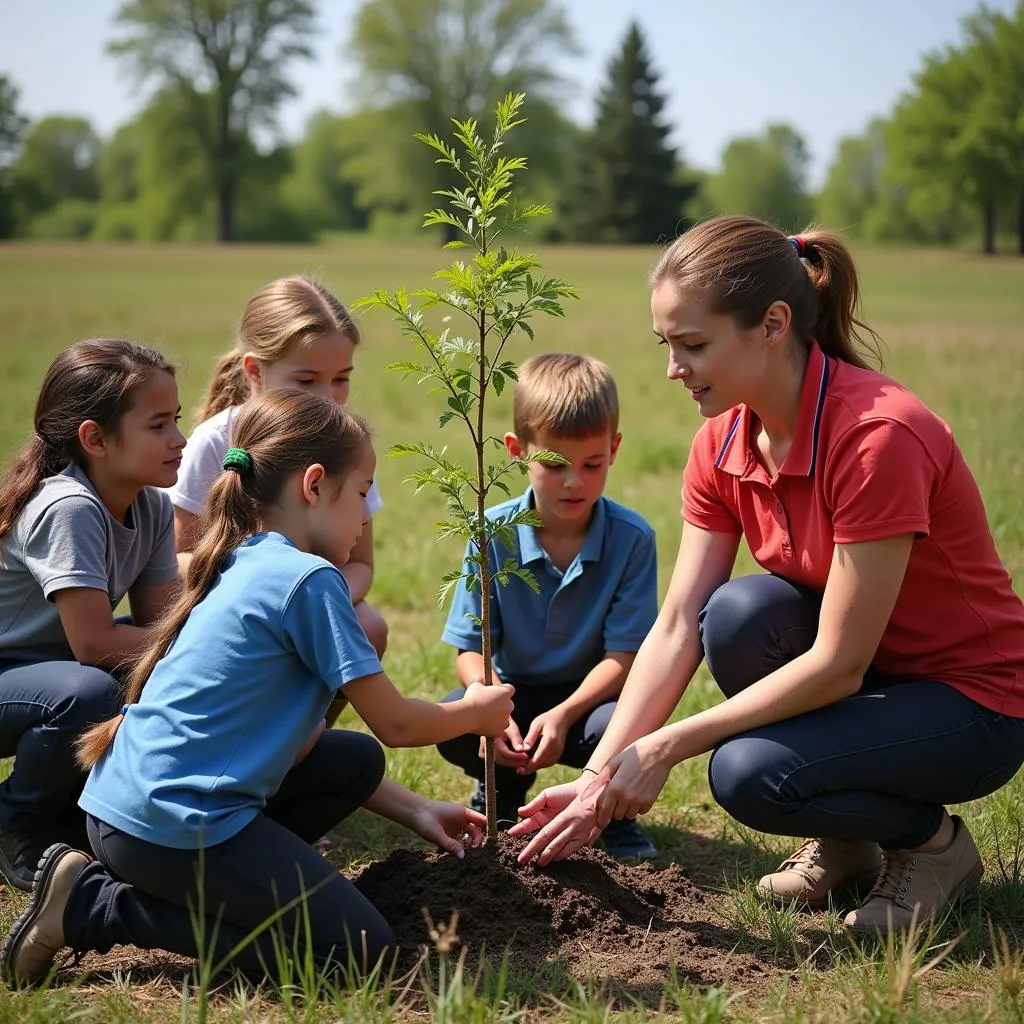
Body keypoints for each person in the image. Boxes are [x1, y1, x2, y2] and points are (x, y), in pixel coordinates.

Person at [511, 216, 1024, 935]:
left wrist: (663, 747)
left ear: (773, 324)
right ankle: (849, 846)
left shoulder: (878, 437)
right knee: (737, 616)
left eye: (693, 345)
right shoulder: (720, 440)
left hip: (973, 705)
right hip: (876, 679)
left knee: (747, 774)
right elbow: (676, 624)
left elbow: (838, 665)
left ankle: (934, 848)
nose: (672, 369)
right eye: (667, 345)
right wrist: (600, 776)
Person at [0, 389, 514, 987]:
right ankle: (95, 907)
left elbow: (315, 745)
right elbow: (397, 724)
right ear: (314, 485)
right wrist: (475, 712)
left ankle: (228, 885)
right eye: (360, 493)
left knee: (351, 761)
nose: (368, 516)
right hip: (168, 827)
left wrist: (419, 810)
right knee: (359, 953)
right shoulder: (310, 581)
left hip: (129, 811)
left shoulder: (248, 558)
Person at [437, 353, 660, 862]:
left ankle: (610, 810)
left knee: (627, 726)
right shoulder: (489, 532)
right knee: (457, 717)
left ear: (614, 450)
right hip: (510, 692)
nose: (573, 483)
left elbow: (624, 659)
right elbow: (471, 647)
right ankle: (503, 796)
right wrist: (488, 701)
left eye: (592, 465)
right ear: (518, 451)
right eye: (554, 465)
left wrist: (563, 714)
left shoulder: (632, 540)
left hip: (590, 701)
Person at [0, 340, 184, 892]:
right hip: (21, 674)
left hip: (46, 675)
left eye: (176, 420)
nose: (179, 440)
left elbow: (160, 628)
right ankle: (15, 823)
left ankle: (93, 818)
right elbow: (95, 644)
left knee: (143, 677)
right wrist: (200, 644)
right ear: (95, 439)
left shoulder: (150, 505)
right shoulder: (69, 508)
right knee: (89, 692)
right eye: (158, 426)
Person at [168, 276, 388, 708]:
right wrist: (266, 598)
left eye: (341, 378)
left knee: (370, 627)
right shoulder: (214, 443)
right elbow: (178, 561)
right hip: (226, 615)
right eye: (306, 380)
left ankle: (301, 750)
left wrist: (314, 606)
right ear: (255, 371)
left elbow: (361, 565)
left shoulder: (349, 446)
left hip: (312, 605)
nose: (327, 398)